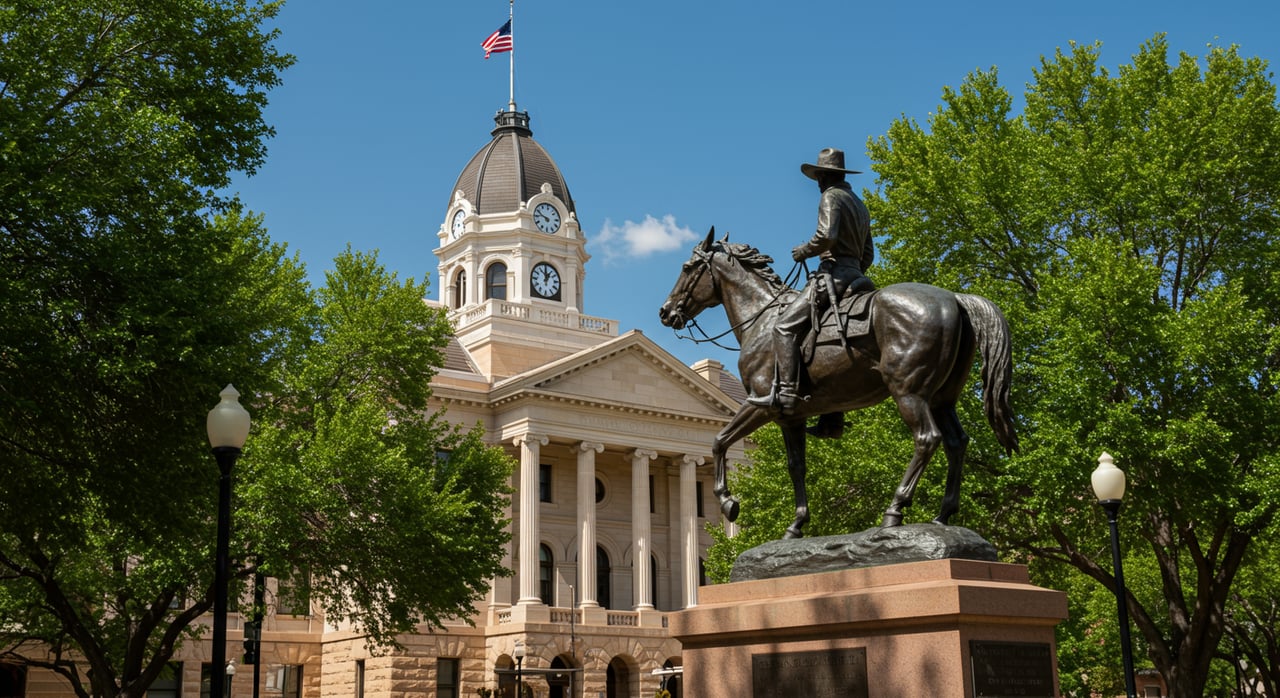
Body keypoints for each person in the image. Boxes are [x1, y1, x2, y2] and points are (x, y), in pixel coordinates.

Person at [747, 148, 874, 428]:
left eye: (819, 176)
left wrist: (804, 250)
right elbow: (868, 254)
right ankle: (832, 417)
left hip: (835, 275)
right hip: (857, 276)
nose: (817, 182)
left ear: (825, 176)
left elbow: (826, 236)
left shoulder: (831, 197)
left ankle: (788, 393)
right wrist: (854, 271)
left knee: (784, 327)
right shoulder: (859, 204)